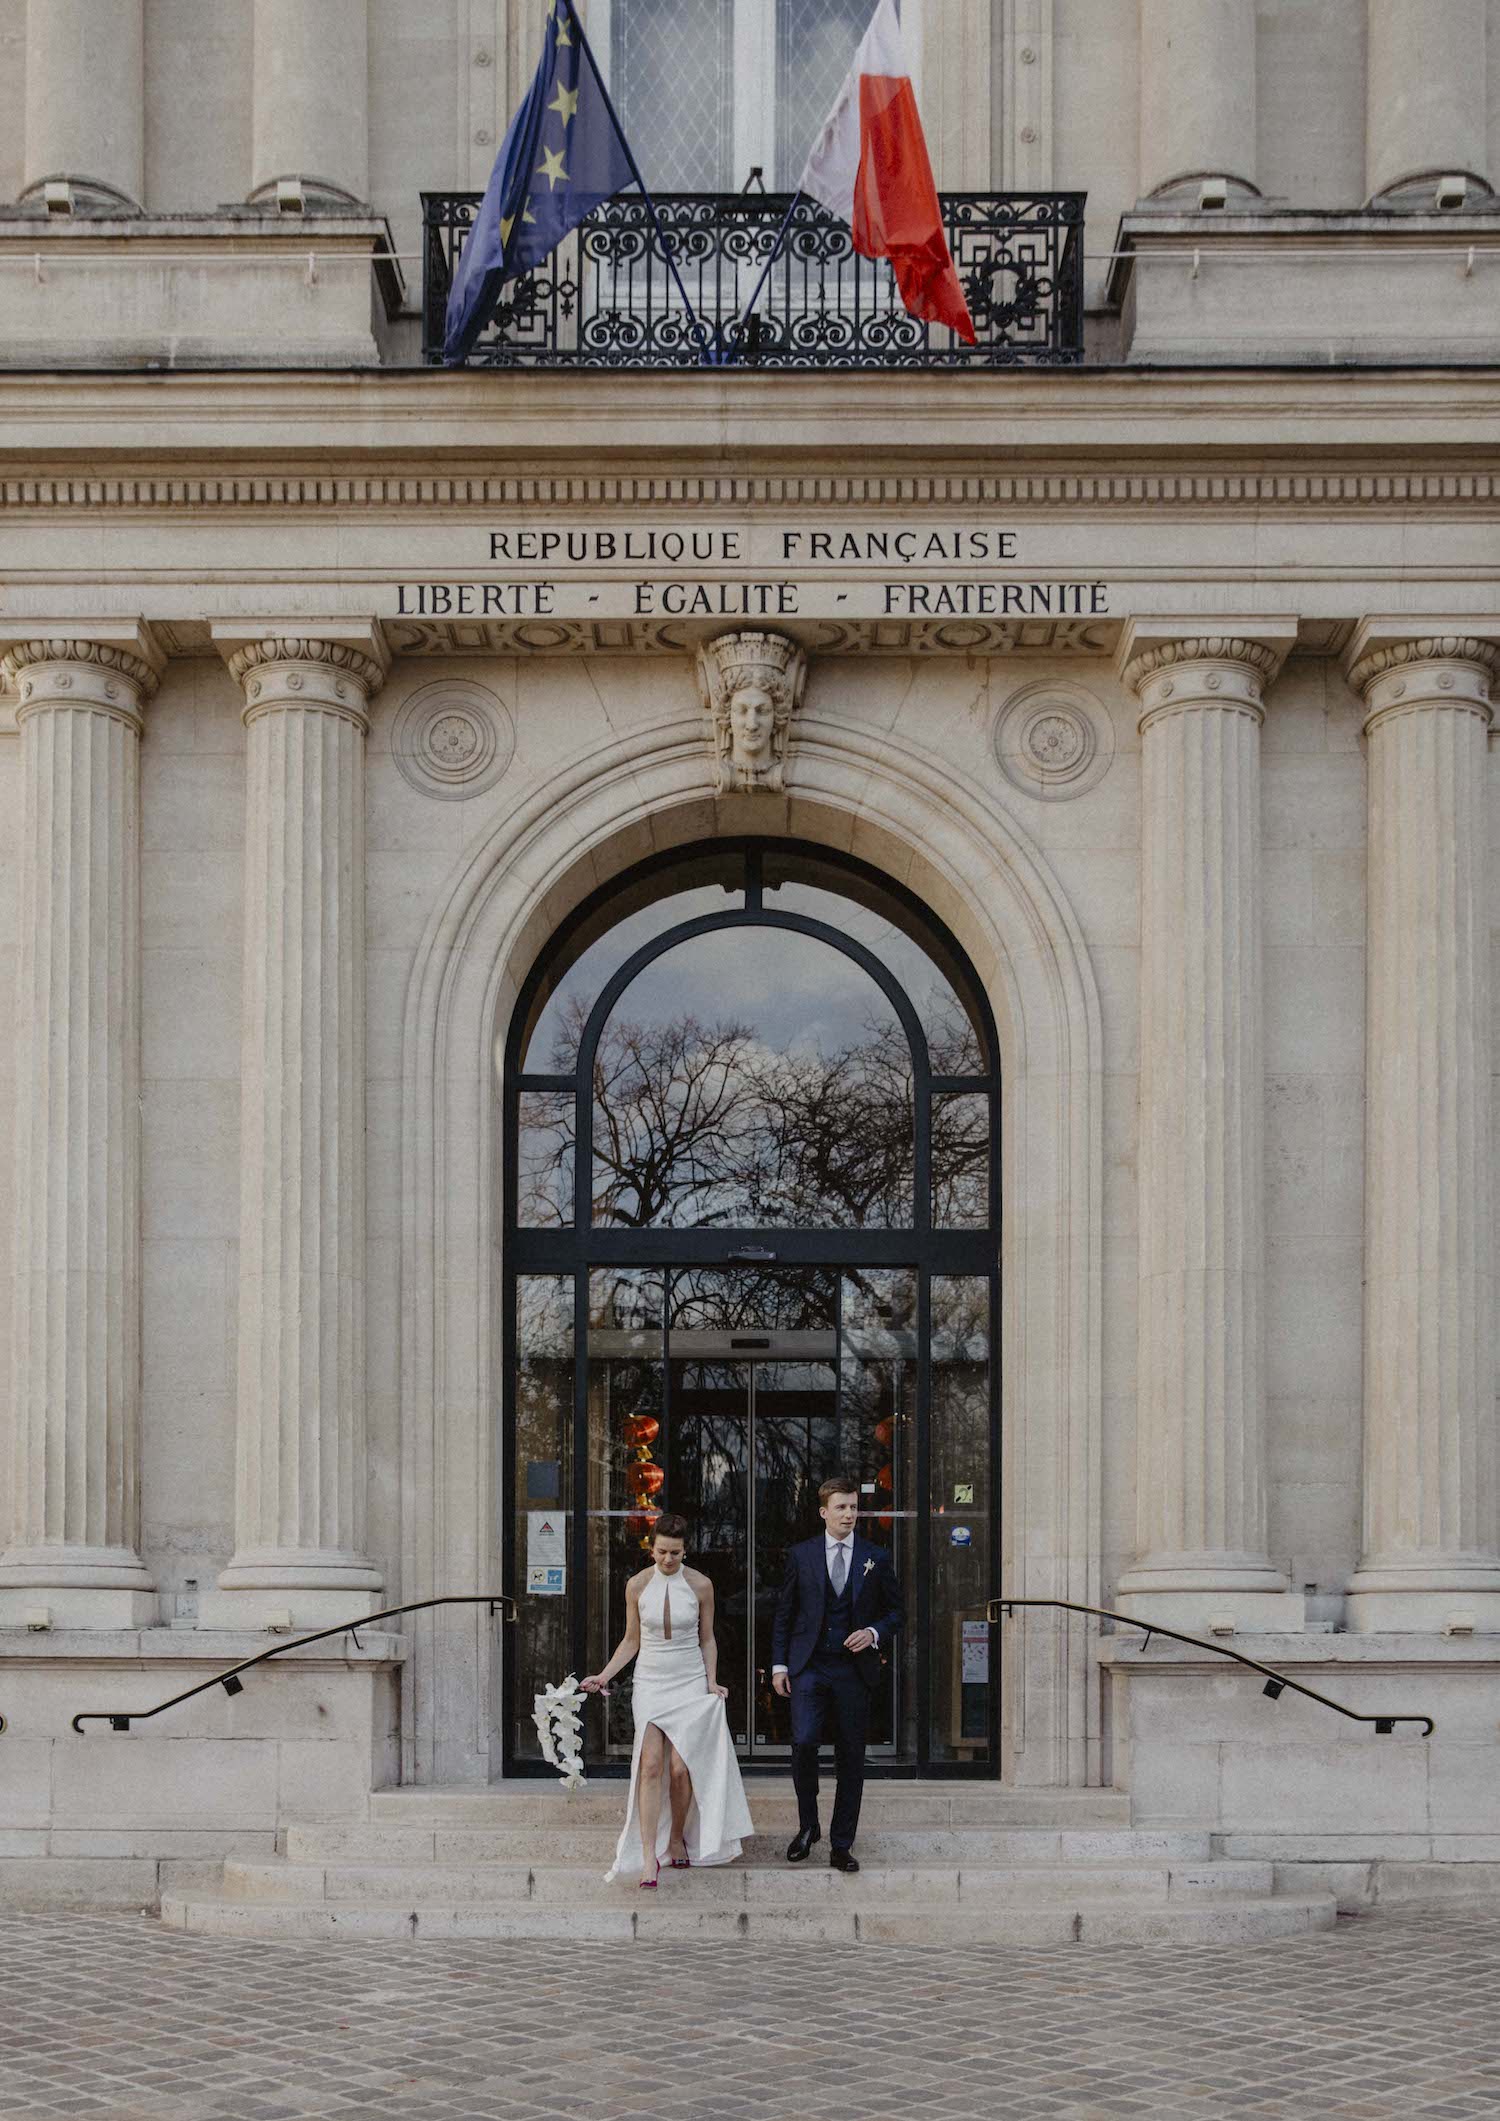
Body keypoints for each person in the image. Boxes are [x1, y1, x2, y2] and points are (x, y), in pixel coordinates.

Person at [580, 1513, 754, 1889]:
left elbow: (707, 1638)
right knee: (651, 1766)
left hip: (690, 1680)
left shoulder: (701, 1585)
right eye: (661, 1552)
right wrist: (604, 1675)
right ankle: (648, 1857)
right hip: (651, 1682)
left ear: (685, 1550)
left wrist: (711, 1681)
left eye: (675, 1552)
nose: (668, 1559)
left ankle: (676, 1837)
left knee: (680, 1769)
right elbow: (631, 1640)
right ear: (652, 1548)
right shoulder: (636, 1585)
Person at [771, 1476, 905, 1873]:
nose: (849, 1514)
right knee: (804, 1743)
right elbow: (784, 1614)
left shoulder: (876, 1557)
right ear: (823, 1512)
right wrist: (779, 1665)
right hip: (810, 1665)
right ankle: (808, 1826)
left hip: (852, 1671)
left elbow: (897, 1612)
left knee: (851, 1756)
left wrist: (873, 1632)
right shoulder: (801, 1555)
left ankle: (842, 1844)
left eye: (853, 1507)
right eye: (841, 1507)